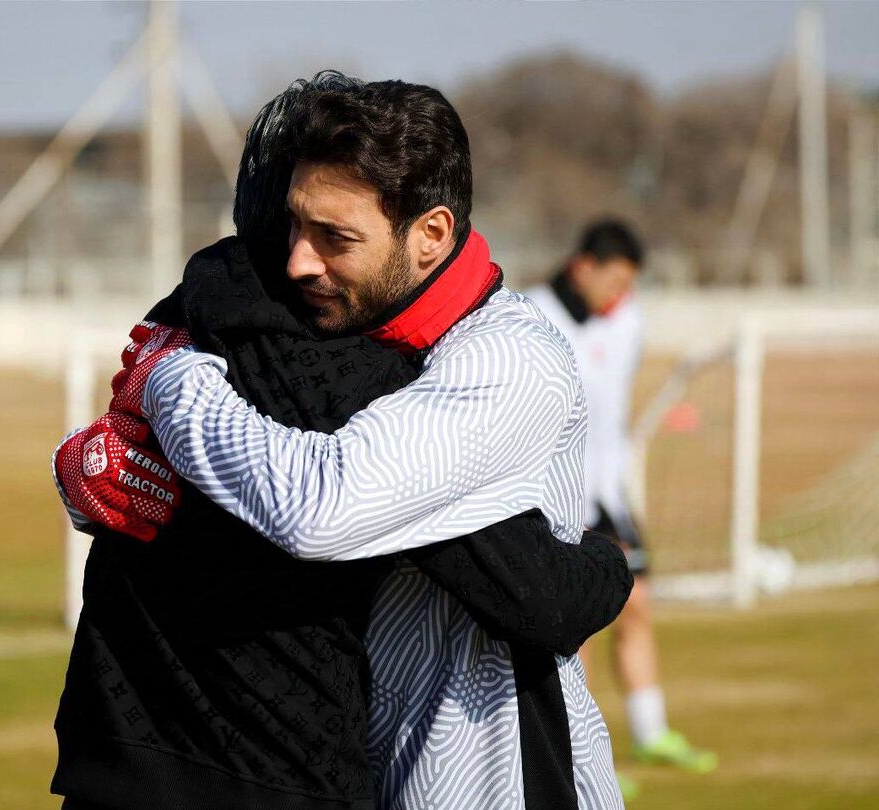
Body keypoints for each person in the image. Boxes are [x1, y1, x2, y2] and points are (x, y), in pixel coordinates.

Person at [51, 75, 632, 810]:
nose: (300, 260)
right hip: (369, 766)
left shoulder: (508, 360)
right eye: (296, 225)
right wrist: (95, 458)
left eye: (336, 238)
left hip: (497, 776)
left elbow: (321, 507)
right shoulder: (355, 332)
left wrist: (168, 380)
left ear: (432, 235)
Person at [524, 220, 717, 779]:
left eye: (629, 284)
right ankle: (577, 756)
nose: (620, 294)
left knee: (636, 605)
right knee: (572, 626)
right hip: (553, 500)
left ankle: (651, 733)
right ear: (582, 266)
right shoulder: (528, 314)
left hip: (609, 495)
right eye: (615, 280)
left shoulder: (628, 321)